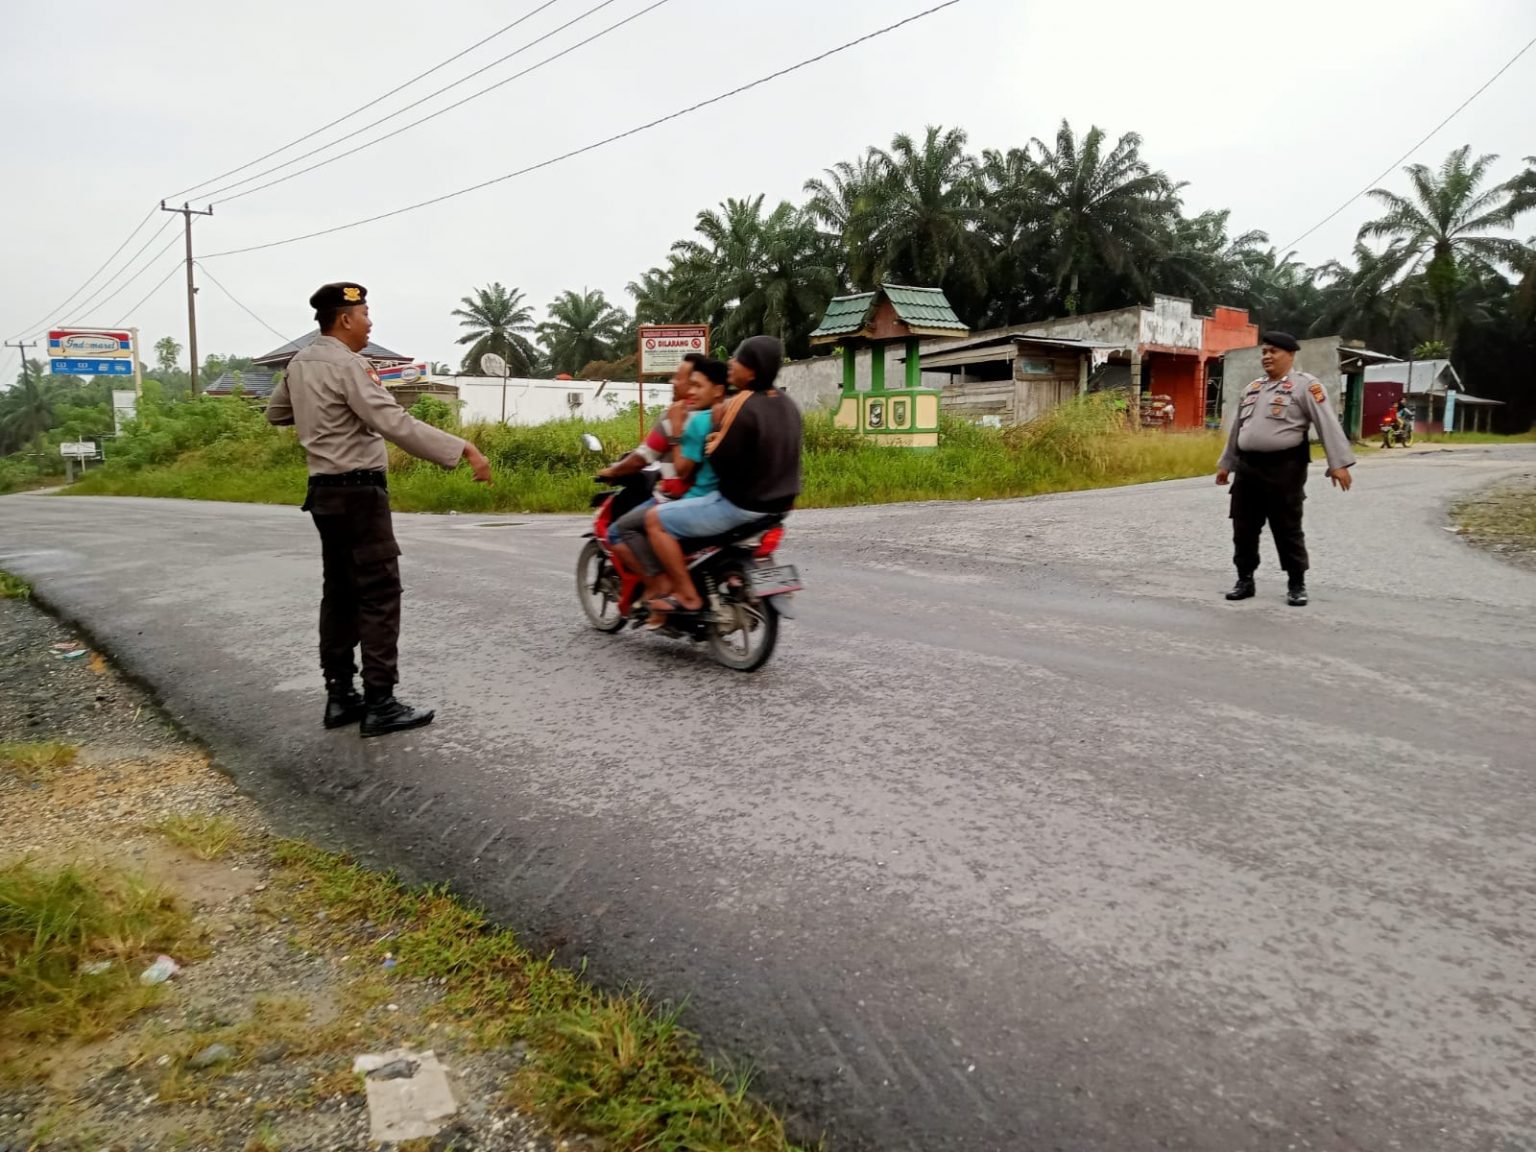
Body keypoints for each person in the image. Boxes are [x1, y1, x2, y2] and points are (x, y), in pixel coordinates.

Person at [266, 282, 492, 736]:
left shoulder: (299, 363)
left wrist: (317, 411)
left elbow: (276, 413)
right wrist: (463, 448)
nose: (371, 323)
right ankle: (380, 702)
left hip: (324, 494)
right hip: (359, 494)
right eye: (366, 313)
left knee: (340, 594)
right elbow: (393, 421)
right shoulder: (349, 365)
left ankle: (340, 696)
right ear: (345, 318)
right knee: (378, 594)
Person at [645, 336, 801, 616]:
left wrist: (714, 430)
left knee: (654, 520)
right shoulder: (787, 403)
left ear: (752, 371)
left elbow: (720, 460)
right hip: (779, 508)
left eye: (738, 360)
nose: (731, 363)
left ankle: (687, 596)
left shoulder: (742, 404)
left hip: (740, 506)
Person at [1216, 331, 1355, 607]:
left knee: (1287, 527)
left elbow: (1326, 421)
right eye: (1264, 352)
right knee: (1243, 527)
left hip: (1285, 468)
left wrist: (1337, 463)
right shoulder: (1253, 388)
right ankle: (1245, 579)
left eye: (1273, 352)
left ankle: (1296, 583)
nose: (1267, 356)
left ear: (1290, 355)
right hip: (1248, 468)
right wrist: (1226, 464)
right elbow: (1238, 430)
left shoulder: (1305, 386)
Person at [622, 357, 729, 625]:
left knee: (636, 525)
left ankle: (668, 586)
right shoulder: (734, 411)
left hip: (696, 499)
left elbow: (668, 465)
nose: (688, 389)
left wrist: (678, 433)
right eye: (688, 384)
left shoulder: (686, 419)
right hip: (731, 496)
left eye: (695, 384)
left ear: (716, 389)